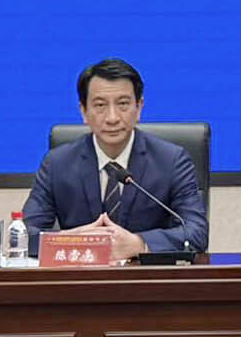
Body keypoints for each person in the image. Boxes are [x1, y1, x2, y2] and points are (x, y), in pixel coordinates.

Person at [21, 58, 209, 259]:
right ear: (83, 111)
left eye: (123, 104)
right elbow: (24, 236)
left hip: (147, 276)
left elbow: (197, 233)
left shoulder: (171, 161)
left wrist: (139, 243)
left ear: (139, 107)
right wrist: (73, 239)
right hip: (81, 275)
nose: (112, 118)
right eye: (100, 105)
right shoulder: (57, 164)